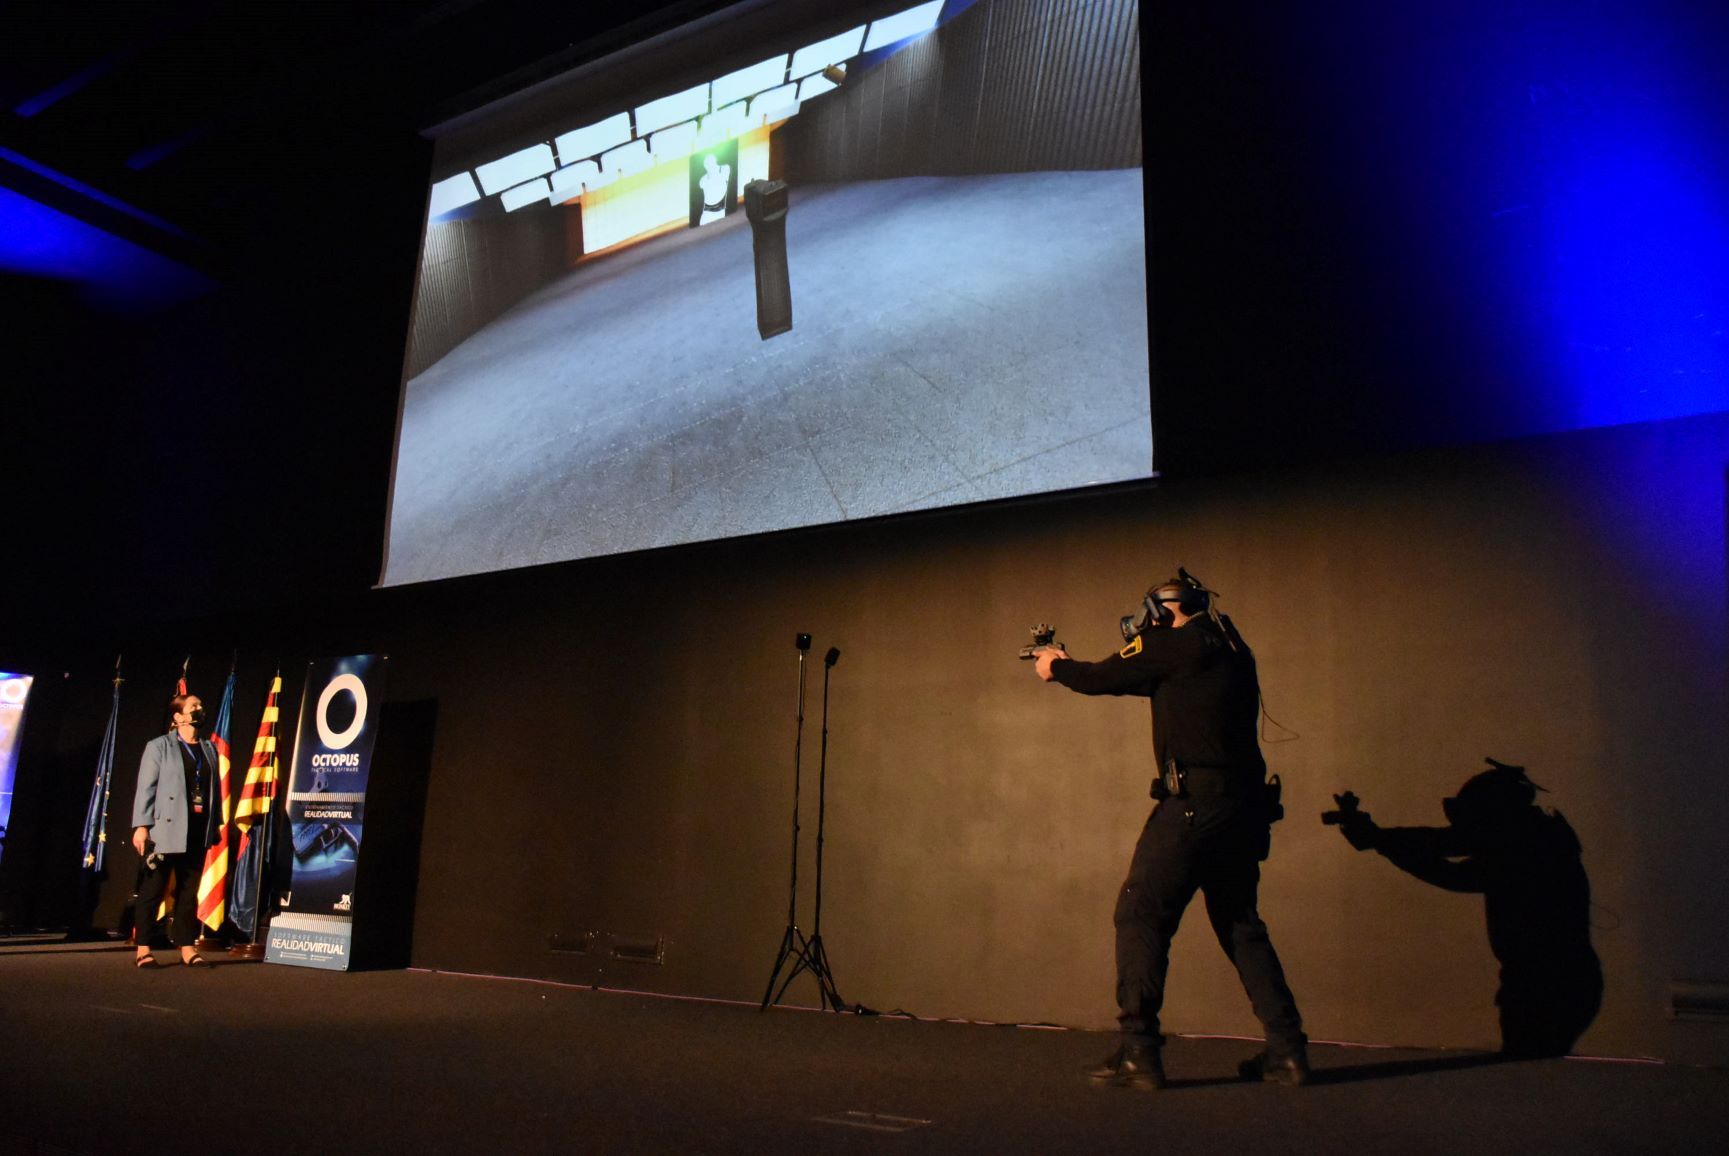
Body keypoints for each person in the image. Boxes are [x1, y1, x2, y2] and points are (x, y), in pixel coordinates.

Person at [1035, 572, 1307, 1089]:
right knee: (1240, 925)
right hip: (1241, 807)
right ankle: (1288, 1051)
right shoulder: (1227, 647)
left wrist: (1057, 666)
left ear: (1163, 611)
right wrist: (1072, 664)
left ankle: (1139, 1052)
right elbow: (1142, 679)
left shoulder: (1171, 643)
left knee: (1139, 912)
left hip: (1194, 807)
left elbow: (1099, 677)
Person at [1326, 759, 1602, 1056]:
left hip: (1546, 985)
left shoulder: (1528, 847)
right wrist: (1380, 839)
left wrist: (1380, 840)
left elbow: (1450, 867)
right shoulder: (1537, 837)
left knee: (1527, 1073)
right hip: (1553, 982)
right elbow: (1445, 843)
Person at [129, 692, 217, 967]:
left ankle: (187, 947)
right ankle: (143, 948)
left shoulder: (208, 748)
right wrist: (141, 826)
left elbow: (215, 790)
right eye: (194, 707)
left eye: (201, 705)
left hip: (197, 827)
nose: (200, 709)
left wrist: (216, 824)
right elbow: (147, 788)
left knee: (189, 891)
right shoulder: (159, 747)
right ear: (178, 717)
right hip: (165, 828)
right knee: (153, 889)